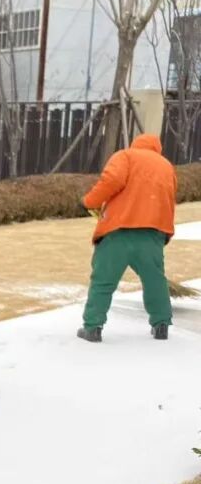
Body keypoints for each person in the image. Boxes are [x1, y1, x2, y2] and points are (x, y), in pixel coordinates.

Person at [78, 134, 177, 343]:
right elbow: (169, 199)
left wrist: (89, 202)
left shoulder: (125, 156)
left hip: (119, 230)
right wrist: (164, 233)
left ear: (135, 144)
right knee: (155, 281)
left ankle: (93, 327)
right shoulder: (166, 166)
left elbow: (111, 181)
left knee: (103, 280)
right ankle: (161, 325)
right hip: (152, 233)